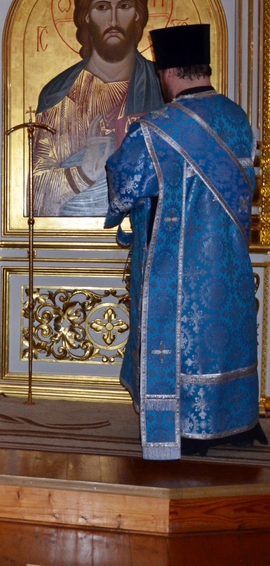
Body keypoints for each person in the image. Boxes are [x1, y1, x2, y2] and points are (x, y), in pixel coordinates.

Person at [105, 24, 268, 460]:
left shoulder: (159, 127)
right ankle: (233, 421)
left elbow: (125, 186)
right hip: (228, 260)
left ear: (171, 71)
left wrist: (123, 151)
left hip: (178, 268)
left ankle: (187, 427)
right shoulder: (237, 117)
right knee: (226, 339)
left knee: (185, 343)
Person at [33, 0, 164, 216]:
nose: (113, 20)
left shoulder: (161, 85)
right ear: (86, 16)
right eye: (102, 8)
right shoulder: (58, 95)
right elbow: (35, 189)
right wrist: (84, 173)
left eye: (124, 6)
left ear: (138, 15)